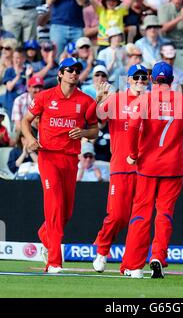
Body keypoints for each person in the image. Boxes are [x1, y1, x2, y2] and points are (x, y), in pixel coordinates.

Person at [120, 61, 183, 279]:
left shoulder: (144, 99)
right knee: (164, 213)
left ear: (153, 79)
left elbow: (132, 126)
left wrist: (133, 154)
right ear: (172, 79)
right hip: (173, 166)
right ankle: (158, 256)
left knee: (141, 214)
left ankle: (134, 266)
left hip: (147, 165)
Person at [21, 57, 99, 273]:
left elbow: (95, 130)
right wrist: (29, 139)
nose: (74, 73)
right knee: (54, 207)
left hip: (70, 159)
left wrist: (83, 132)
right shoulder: (45, 96)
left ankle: (45, 236)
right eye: (69, 70)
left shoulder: (85, 101)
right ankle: (54, 261)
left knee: (66, 213)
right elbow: (25, 121)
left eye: (77, 70)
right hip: (48, 157)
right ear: (60, 74)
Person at [92, 63, 149, 274]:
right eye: (136, 77)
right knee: (117, 215)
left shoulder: (152, 102)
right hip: (121, 166)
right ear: (128, 79)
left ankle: (130, 264)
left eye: (144, 77)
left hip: (145, 169)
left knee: (139, 220)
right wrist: (98, 100)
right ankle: (102, 250)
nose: (140, 81)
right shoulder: (116, 99)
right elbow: (97, 123)